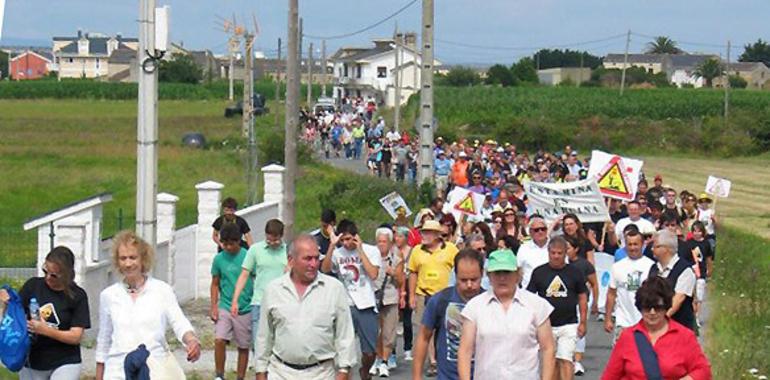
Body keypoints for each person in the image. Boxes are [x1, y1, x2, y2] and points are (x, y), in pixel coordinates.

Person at [96, 231, 201, 380]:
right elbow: (103, 342)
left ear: (143, 258)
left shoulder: (162, 290)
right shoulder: (108, 295)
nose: (128, 263)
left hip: (154, 369)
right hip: (117, 371)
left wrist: (191, 340)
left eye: (133, 257)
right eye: (123, 258)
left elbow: (179, 322)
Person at [255, 234, 357, 379]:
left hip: (321, 373)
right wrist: (260, 371)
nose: (314, 264)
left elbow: (345, 334)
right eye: (307, 258)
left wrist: (344, 370)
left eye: (316, 258)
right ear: (291, 260)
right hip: (281, 372)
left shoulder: (334, 289)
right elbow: (264, 336)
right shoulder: (273, 290)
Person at [457, 250, 556, 379]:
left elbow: (548, 348)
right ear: (489, 276)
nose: (502, 278)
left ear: (517, 275)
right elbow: (465, 351)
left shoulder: (537, 305)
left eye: (507, 272)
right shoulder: (475, 307)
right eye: (497, 273)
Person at [0, 247, 90, 380]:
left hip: (65, 360)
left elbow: (76, 336)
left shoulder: (78, 296)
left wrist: (46, 330)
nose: (48, 277)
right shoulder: (33, 286)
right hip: (33, 359)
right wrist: (6, 303)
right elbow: (15, 317)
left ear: (66, 274)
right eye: (45, 271)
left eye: (54, 275)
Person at [601, 277, 712, 380]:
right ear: (640, 307)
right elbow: (609, 376)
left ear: (666, 307)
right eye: (647, 307)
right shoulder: (627, 337)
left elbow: (703, 371)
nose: (652, 312)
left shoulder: (684, 336)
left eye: (658, 307)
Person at [321, 219, 382, 380]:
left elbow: (374, 274)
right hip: (345, 305)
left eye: (349, 239)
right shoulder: (338, 253)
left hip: (366, 304)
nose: (346, 243)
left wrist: (360, 250)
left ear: (355, 236)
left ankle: (365, 370)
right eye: (343, 240)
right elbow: (325, 269)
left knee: (370, 351)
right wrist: (333, 245)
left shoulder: (371, 250)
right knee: (343, 351)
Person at [413, 249, 484, 380]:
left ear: (482, 274)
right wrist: (417, 376)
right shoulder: (441, 300)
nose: (469, 285)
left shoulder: (489, 303)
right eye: (463, 280)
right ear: (455, 275)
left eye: (474, 279)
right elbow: (423, 337)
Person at [527, 237, 588, 380]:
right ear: (548, 252)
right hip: (546, 325)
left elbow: (582, 296)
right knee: (550, 361)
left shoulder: (574, 272)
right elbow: (529, 297)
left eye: (559, 253)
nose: (556, 256)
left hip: (569, 324)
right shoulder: (539, 272)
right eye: (553, 253)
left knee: (565, 359)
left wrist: (583, 321)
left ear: (565, 253)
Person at [407, 220, 459, 375]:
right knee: (425, 329)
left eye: (428, 232)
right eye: (423, 232)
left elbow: (458, 269)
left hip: (445, 295)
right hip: (424, 294)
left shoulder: (450, 249)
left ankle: (446, 359)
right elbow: (413, 273)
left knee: (446, 329)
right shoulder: (417, 251)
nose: (424, 235)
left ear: (437, 235)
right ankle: (433, 361)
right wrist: (411, 295)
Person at [231, 219, 287, 349]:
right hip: (259, 302)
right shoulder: (255, 250)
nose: (272, 243)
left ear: (281, 236)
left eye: (276, 240)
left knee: (279, 345)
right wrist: (235, 300)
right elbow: (244, 274)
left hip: (282, 301)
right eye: (269, 240)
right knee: (259, 344)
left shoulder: (288, 250)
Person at [210, 224, 253, 380]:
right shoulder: (219, 259)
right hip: (225, 306)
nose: (228, 247)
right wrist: (214, 306)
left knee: (243, 346)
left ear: (238, 241)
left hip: (245, 307)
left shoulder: (248, 256)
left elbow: (255, 278)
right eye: (225, 243)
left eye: (231, 243)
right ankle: (219, 375)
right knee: (219, 339)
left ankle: (240, 377)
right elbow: (215, 283)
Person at [604, 229, 655, 343]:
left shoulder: (651, 266)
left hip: (645, 322)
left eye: (635, 244)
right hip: (623, 322)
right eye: (629, 244)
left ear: (642, 245)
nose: (632, 248)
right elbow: (611, 294)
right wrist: (608, 318)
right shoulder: (617, 267)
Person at [370, 228, 404, 378]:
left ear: (390, 243)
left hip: (390, 298)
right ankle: (377, 359)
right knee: (376, 332)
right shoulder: (371, 257)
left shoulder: (396, 259)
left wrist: (394, 273)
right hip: (373, 298)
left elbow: (401, 280)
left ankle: (385, 361)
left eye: (384, 241)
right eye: (379, 241)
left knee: (389, 333)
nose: (381, 245)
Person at [649, 229, 697, 331]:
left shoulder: (685, 271)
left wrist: (659, 321)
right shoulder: (654, 269)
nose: (652, 249)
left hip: (679, 328)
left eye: (655, 246)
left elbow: (678, 299)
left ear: (666, 249)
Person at [563, 236, 598, 376]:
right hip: (565, 303)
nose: (565, 251)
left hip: (581, 302)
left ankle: (577, 361)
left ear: (576, 249)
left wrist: (595, 302)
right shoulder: (561, 265)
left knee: (579, 331)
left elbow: (594, 284)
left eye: (568, 248)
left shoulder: (584, 265)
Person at [517, 216, 550, 289]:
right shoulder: (524, 248)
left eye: (543, 229)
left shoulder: (555, 245)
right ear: (530, 232)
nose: (540, 232)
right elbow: (518, 270)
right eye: (536, 230)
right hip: (529, 293)